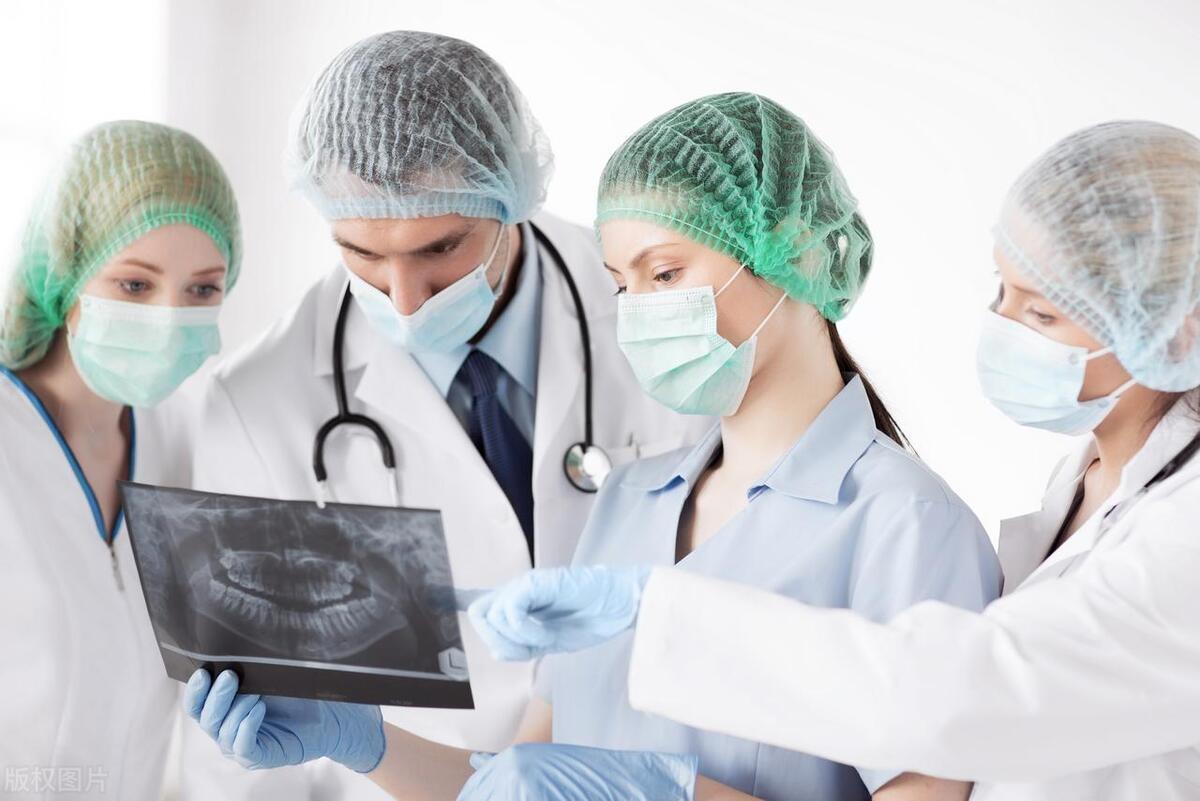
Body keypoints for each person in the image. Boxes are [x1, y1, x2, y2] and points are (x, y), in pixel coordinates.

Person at [184, 92, 1002, 801]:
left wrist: (670, 793)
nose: (636, 312)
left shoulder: (909, 527)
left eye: (664, 273)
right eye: (620, 283)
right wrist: (363, 740)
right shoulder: (630, 501)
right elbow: (521, 780)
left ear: (793, 249)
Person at [467, 120, 1200, 801]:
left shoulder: (927, 520)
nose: (1000, 329)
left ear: (1177, 329)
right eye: (1000, 291)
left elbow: (951, 690)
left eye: (1041, 312)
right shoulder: (1086, 486)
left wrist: (670, 767)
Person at [179, 30, 707, 801]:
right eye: (362, 252)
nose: (403, 298)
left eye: (440, 247)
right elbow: (248, 742)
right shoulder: (259, 402)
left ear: (511, 194)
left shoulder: (650, 302)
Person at [0, 120, 241, 800]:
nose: (169, 318)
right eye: (135, 285)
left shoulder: (186, 440)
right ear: (65, 273)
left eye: (202, 290)